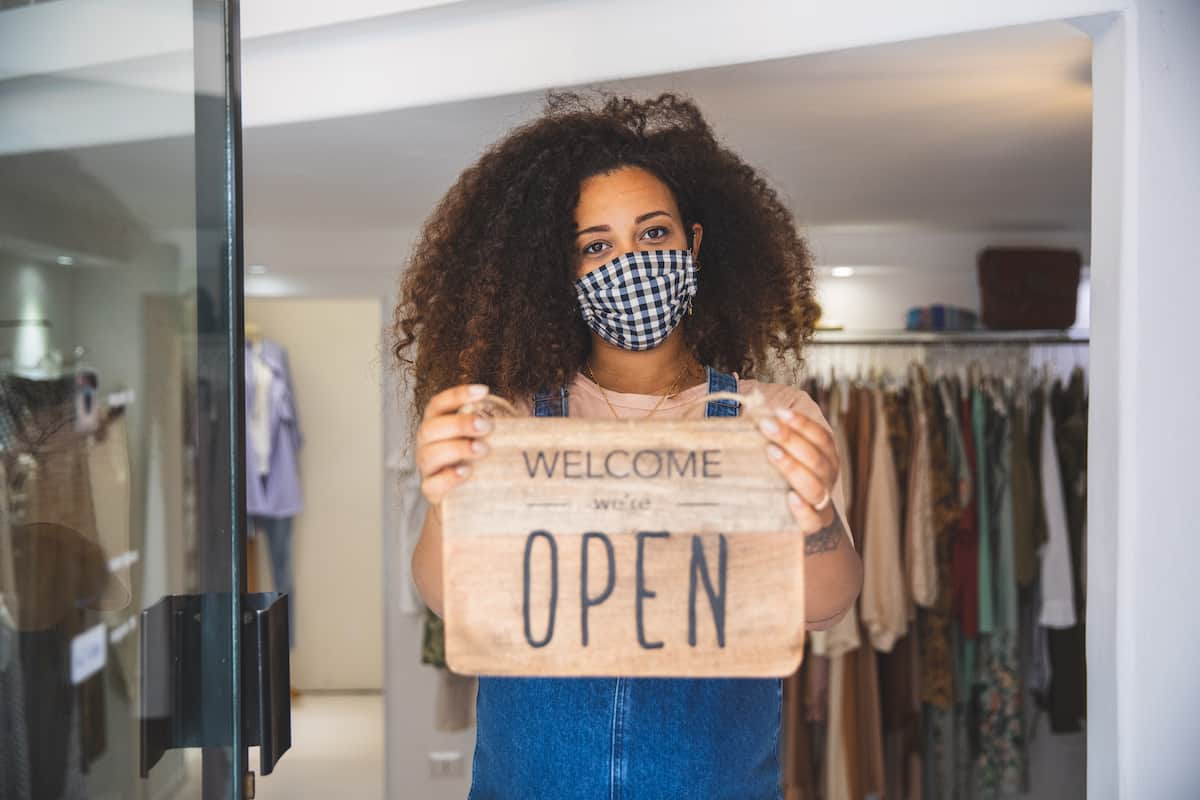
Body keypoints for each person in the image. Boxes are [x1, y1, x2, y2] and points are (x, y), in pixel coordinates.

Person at [393, 92, 863, 799]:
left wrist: (817, 512)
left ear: (692, 246)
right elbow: (452, 601)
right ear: (566, 271)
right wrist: (444, 499)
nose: (630, 261)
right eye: (596, 246)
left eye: (652, 235)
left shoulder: (774, 418)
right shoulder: (512, 419)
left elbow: (828, 606)